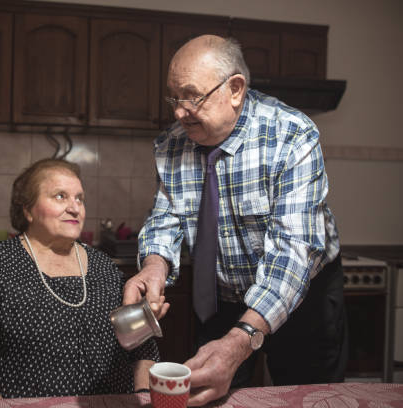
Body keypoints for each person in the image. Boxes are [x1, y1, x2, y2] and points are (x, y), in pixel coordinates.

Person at [123, 35, 347, 406]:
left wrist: (244, 335)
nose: (179, 111)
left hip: (302, 296)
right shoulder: (170, 145)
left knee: (309, 397)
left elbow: (293, 251)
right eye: (173, 97)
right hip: (222, 297)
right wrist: (153, 267)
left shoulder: (291, 134)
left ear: (235, 89)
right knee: (209, 395)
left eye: (191, 96)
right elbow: (165, 219)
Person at [0, 158, 159, 401]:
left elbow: (144, 347)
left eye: (79, 198)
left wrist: (143, 396)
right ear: (28, 210)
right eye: (60, 196)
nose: (75, 207)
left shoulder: (104, 266)